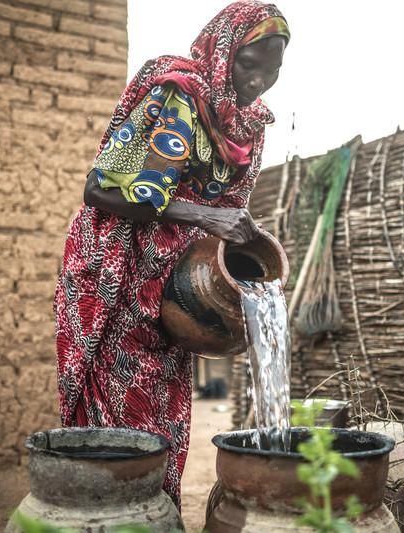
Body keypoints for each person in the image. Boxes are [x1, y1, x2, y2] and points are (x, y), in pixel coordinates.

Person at [53, 1, 289, 508]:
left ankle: (153, 516)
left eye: (272, 71)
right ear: (224, 52)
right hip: (115, 275)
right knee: (119, 425)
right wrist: (202, 215)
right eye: (250, 65)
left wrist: (236, 233)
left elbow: (223, 208)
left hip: (176, 287)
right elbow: (98, 190)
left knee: (165, 424)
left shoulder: (249, 125)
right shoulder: (178, 93)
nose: (258, 82)